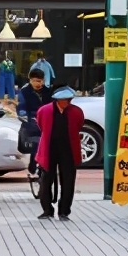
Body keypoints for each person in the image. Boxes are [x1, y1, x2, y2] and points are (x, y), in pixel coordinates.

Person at [35, 87, 83, 221]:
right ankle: (47, 209)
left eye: (68, 100)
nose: (66, 103)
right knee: (45, 180)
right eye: (63, 100)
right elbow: (41, 125)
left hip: (68, 149)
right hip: (49, 148)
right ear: (56, 100)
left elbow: (79, 125)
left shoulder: (76, 112)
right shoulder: (44, 111)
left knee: (68, 181)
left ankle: (64, 211)